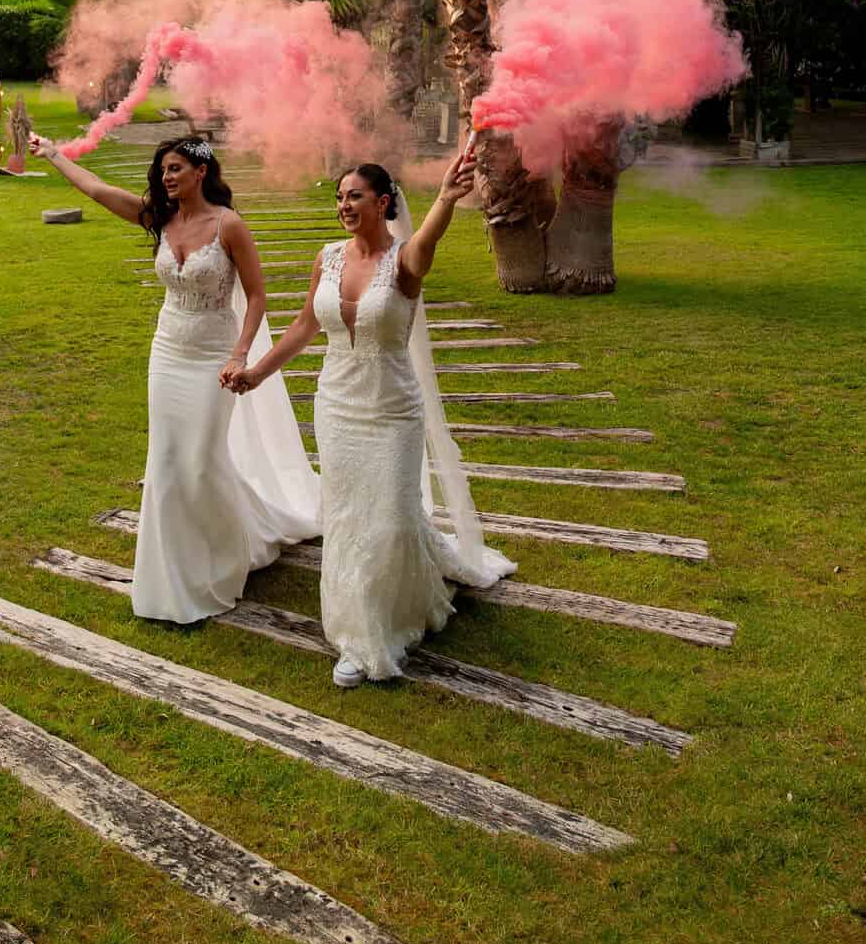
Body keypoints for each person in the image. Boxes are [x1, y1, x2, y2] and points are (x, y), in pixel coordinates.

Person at [225, 151, 515, 686]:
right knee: (345, 518)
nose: (343, 205)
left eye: (354, 196)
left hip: (392, 412)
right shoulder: (328, 258)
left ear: (383, 203)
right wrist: (258, 372)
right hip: (337, 405)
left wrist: (448, 199)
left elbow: (428, 240)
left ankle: (392, 617)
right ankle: (358, 634)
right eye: (339, 197)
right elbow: (304, 326)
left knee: (390, 518)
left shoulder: (405, 262)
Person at [28, 131, 320, 622]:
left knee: (202, 461)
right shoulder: (159, 218)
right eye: (162, 170)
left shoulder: (229, 225)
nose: (165, 178)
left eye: (175, 169)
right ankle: (169, 574)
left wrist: (240, 353)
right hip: (167, 351)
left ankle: (228, 550)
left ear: (200, 172)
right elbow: (97, 190)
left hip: (214, 356)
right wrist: (55, 154)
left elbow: (256, 297)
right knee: (166, 459)